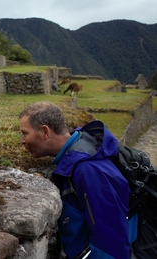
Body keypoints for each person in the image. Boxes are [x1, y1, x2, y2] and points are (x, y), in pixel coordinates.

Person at [19, 101, 137, 259]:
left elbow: (110, 242)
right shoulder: (79, 151)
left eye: (25, 133)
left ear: (45, 132)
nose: (22, 141)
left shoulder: (89, 170)